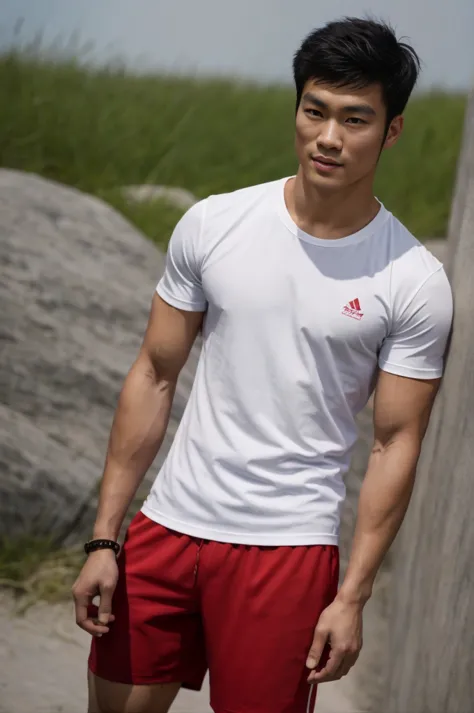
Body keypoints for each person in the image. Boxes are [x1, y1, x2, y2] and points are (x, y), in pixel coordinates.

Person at [73, 16, 453, 713]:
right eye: (315, 111)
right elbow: (154, 375)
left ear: (391, 130)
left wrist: (353, 595)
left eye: (355, 118)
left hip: (287, 552)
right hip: (168, 527)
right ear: (298, 108)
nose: (329, 137)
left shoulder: (413, 280)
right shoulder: (214, 224)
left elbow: (396, 441)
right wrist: (106, 535)